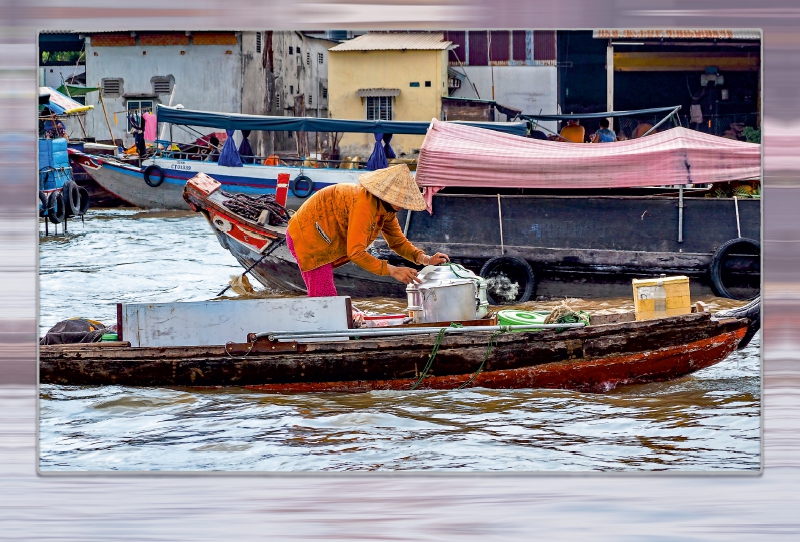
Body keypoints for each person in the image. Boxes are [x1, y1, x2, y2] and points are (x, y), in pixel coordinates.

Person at [285, 164, 449, 297]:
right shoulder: (364, 205)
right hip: (307, 236)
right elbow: (355, 253)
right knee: (324, 297)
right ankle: (322, 335)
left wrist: (426, 259)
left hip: (327, 238)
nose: (404, 205)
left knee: (327, 295)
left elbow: (397, 242)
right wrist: (392, 270)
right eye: (402, 201)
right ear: (388, 196)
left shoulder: (387, 211)